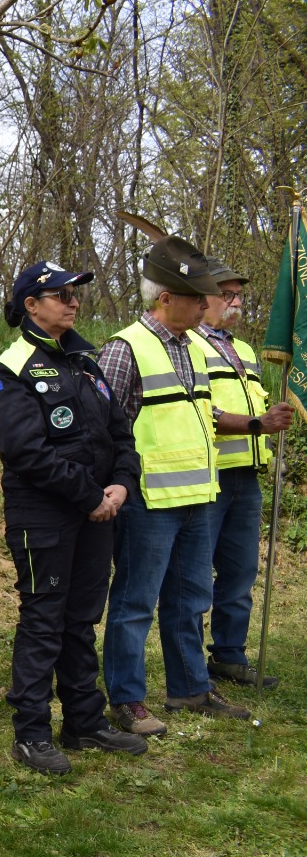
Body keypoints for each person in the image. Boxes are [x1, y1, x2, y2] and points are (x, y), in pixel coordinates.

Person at [0, 261, 148, 774]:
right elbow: (26, 452)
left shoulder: (86, 362)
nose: (73, 302)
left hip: (98, 513)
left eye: (76, 294)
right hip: (44, 517)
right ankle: (31, 733)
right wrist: (90, 495)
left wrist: (122, 484)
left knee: (81, 621)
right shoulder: (7, 369)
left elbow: (121, 434)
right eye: (61, 294)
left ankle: (84, 722)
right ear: (31, 305)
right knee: (44, 621)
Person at [98, 236, 249, 737]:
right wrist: (116, 487)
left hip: (198, 498)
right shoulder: (124, 349)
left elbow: (201, 416)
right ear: (165, 298)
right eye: (195, 297)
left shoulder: (193, 349)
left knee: (191, 600)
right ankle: (127, 700)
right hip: (147, 501)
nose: (206, 304)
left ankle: (190, 688)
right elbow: (103, 430)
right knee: (135, 604)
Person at [194, 264, 293, 688]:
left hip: (246, 479)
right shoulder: (188, 345)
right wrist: (257, 424)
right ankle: (188, 667)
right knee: (196, 576)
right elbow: (201, 410)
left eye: (239, 295)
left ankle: (229, 657)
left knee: (240, 573)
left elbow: (255, 407)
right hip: (208, 476)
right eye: (227, 294)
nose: (236, 302)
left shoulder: (245, 351)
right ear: (202, 297)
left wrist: (269, 424)